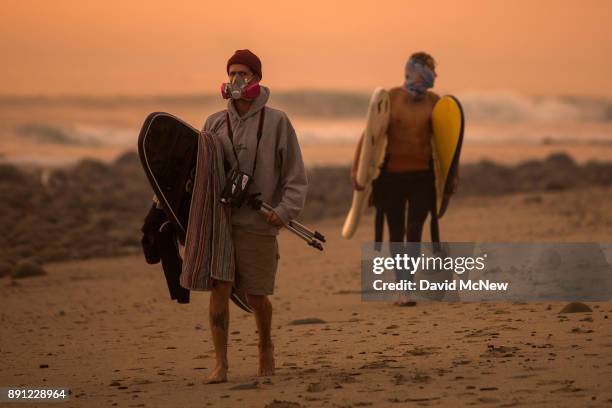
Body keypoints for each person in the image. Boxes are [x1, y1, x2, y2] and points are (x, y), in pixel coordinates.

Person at [202, 49, 308, 383]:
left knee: (256, 296)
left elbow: (295, 176)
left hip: (261, 224)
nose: (236, 79)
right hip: (222, 223)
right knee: (219, 289)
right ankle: (221, 362)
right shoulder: (214, 123)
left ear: (257, 79)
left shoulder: (278, 121)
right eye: (232, 73)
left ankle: (265, 346)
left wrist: (284, 211)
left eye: (243, 73)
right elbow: (201, 173)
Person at [351, 52, 458, 306]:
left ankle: (407, 286)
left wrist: (453, 175)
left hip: (423, 177)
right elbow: (370, 137)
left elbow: (447, 146)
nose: (434, 75)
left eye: (435, 70)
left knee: (414, 230)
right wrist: (357, 170)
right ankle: (403, 288)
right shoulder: (391, 98)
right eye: (430, 70)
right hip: (391, 178)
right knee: (396, 233)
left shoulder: (435, 102)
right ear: (415, 71)